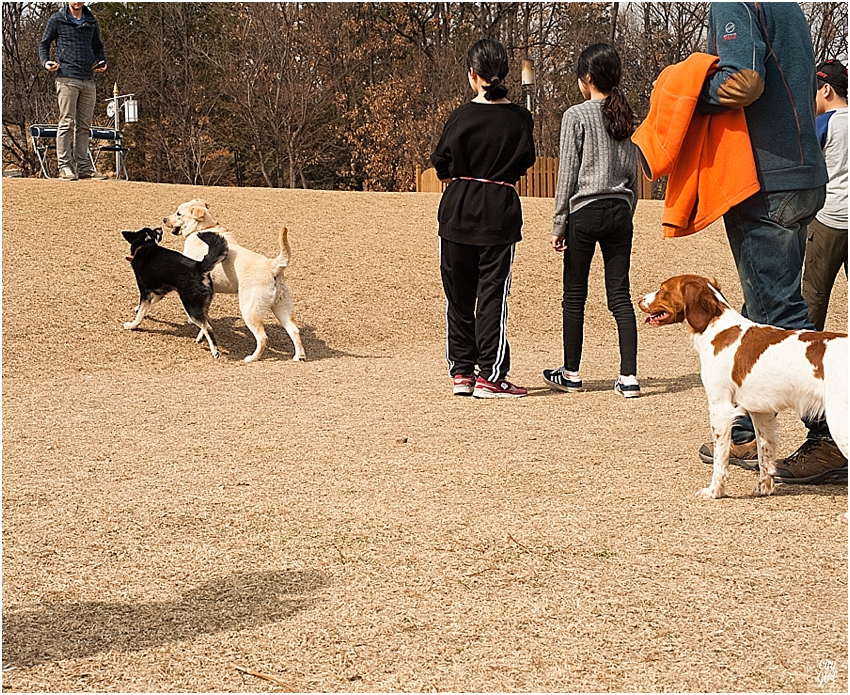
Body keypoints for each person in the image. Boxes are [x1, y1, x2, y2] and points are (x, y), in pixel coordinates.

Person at [696, 2, 846, 483]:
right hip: (800, 170)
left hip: (766, 176)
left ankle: (828, 440)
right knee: (763, 306)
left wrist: (691, 88)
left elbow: (745, 80)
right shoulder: (788, 6)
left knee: (777, 311)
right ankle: (743, 428)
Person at [431, 39, 536, 399]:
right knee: (491, 296)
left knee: (458, 296)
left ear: (472, 75)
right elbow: (525, 163)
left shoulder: (460, 116)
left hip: (458, 208)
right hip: (499, 209)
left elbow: (440, 163)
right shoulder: (521, 118)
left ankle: (462, 372)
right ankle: (490, 375)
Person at [543, 43, 641, 398]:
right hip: (619, 211)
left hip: (584, 211)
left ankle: (571, 373)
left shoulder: (577, 116)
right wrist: (625, 213)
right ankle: (628, 377)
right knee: (620, 297)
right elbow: (633, 174)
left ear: (587, 78)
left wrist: (559, 224)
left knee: (574, 296)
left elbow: (567, 174)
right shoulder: (626, 116)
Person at [39, 2, 109, 180]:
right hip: (66, 77)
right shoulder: (57, 19)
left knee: (84, 126)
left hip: (88, 78)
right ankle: (64, 166)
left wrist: (102, 61)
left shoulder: (91, 21)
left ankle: (84, 168)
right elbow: (44, 44)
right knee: (67, 122)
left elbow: (98, 46)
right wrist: (46, 62)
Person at [803, 60, 848, 331]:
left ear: (827, 90)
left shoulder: (823, 124)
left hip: (828, 220)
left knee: (814, 298)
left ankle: (806, 362)